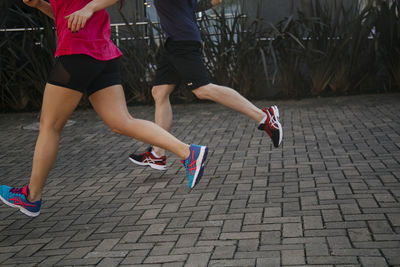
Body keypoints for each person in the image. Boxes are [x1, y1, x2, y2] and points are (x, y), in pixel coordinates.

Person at [0, 0, 208, 217]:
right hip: (100, 53)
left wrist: (89, 8)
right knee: (121, 122)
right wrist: (40, 5)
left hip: (77, 52)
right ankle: (188, 152)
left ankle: (31, 196)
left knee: (49, 126)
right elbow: (68, 16)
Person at [129, 0, 283, 171]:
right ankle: (158, 153)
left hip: (182, 41)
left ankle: (264, 117)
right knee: (159, 92)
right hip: (174, 42)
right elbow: (200, 4)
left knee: (202, 89)